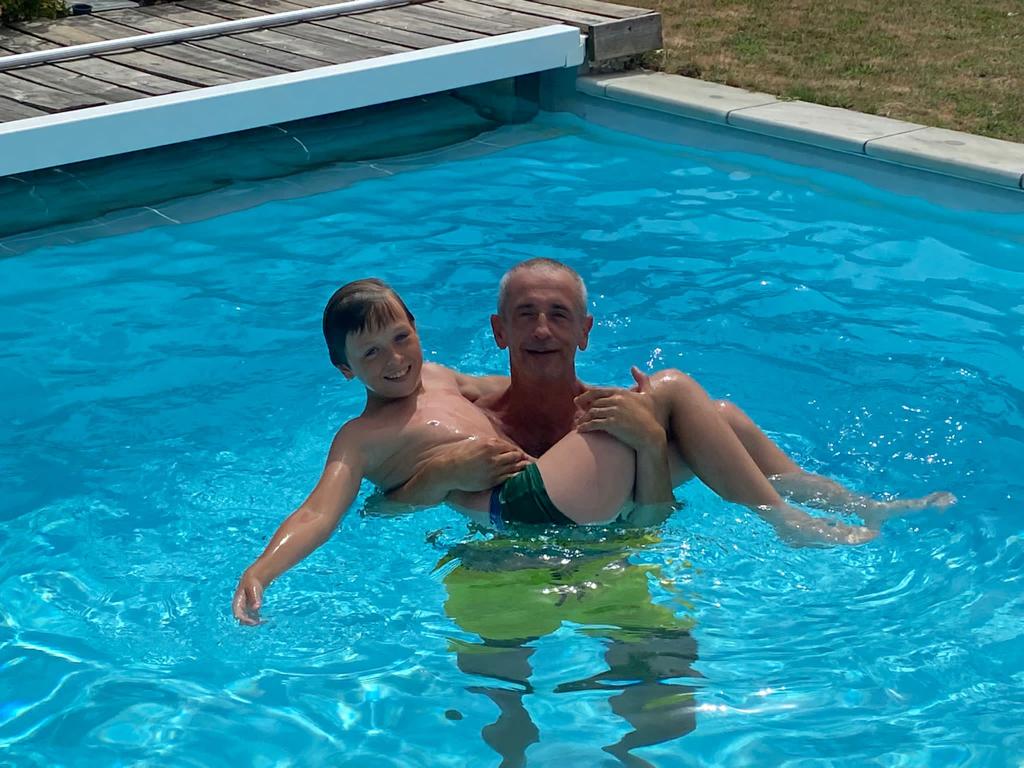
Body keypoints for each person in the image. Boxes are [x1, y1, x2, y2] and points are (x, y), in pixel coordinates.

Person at [232, 278, 682, 626]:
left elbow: (519, 393)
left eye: (400, 338)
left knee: (690, 422)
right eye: (371, 353)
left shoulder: (440, 377)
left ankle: (726, 485)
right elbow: (317, 513)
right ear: (346, 369)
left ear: (415, 327)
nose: (395, 360)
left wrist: (602, 399)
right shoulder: (359, 436)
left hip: (551, 493)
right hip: (519, 505)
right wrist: (261, 571)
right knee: (671, 397)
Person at [410, 257, 954, 532]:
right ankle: (787, 522)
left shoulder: (604, 412)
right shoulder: (475, 405)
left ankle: (858, 507)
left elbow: (654, 520)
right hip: (529, 540)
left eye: (559, 315)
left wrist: (649, 442)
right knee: (683, 393)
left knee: (722, 416)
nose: (542, 330)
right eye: (525, 315)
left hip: (613, 525)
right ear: (499, 331)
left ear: (585, 332)